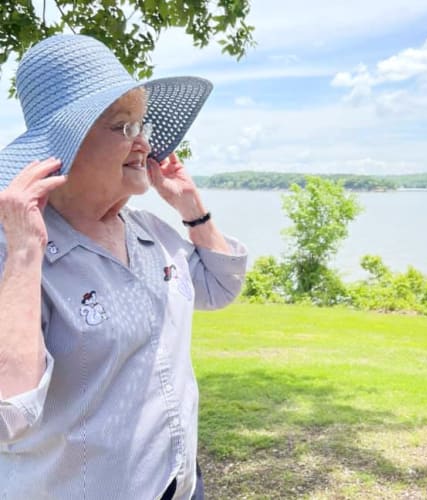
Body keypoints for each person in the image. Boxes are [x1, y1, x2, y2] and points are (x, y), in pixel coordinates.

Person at [0, 34, 247, 499]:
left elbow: (218, 287)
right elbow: (7, 415)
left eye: (142, 126)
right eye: (122, 127)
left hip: (179, 481)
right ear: (65, 148)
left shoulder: (151, 231)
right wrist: (25, 254)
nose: (143, 144)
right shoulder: (16, 250)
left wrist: (192, 209)